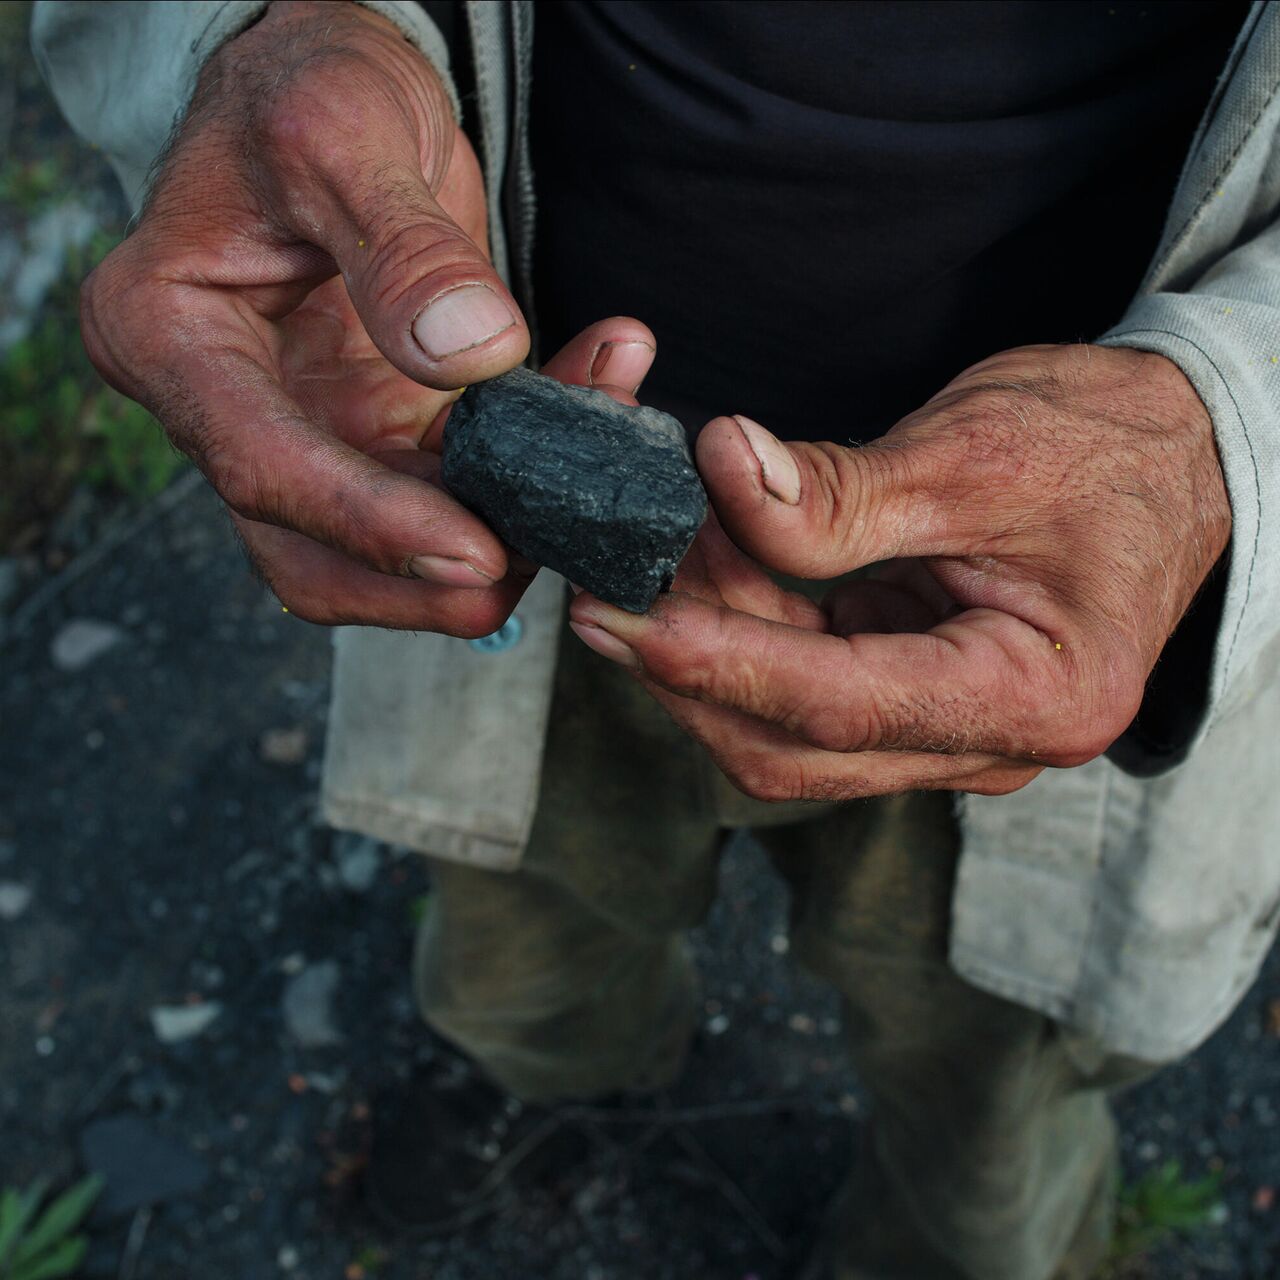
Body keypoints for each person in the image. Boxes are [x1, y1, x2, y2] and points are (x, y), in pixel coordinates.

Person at [31, 2, 1280, 1277]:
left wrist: (1225, 427)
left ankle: (954, 1244)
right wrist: (276, 35)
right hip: (515, 504)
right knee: (527, 919)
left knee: (989, 1078)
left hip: (1062, 574)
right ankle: (551, 1072)